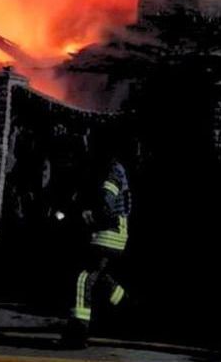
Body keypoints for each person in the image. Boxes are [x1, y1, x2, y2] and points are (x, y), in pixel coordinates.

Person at [66, 132, 131, 346]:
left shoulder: (111, 170)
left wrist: (91, 215)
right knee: (100, 278)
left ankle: (77, 333)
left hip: (108, 233)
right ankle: (127, 309)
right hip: (113, 233)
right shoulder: (114, 168)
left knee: (84, 277)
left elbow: (106, 203)